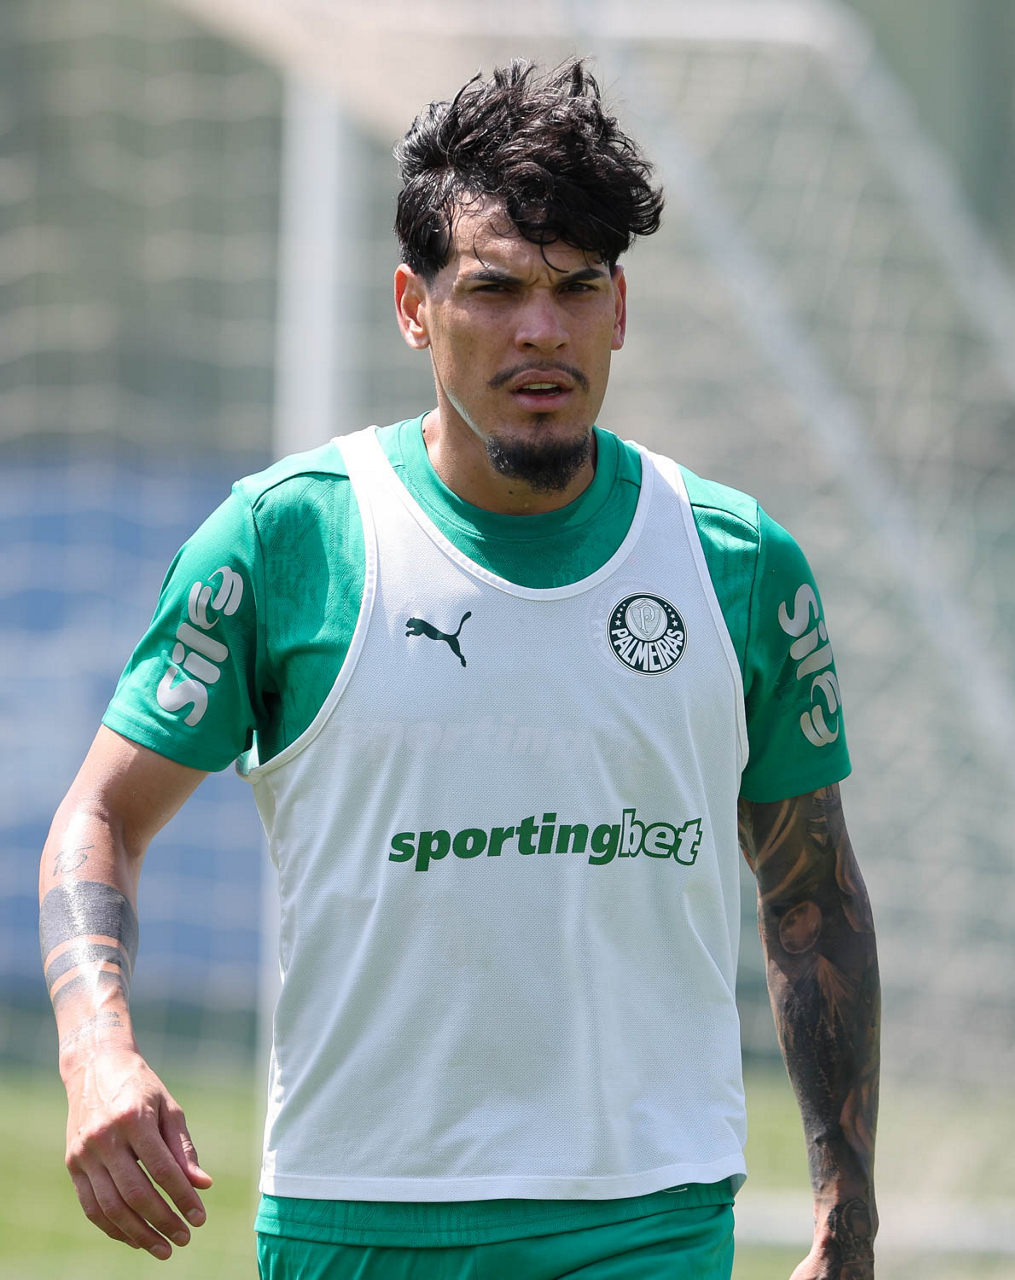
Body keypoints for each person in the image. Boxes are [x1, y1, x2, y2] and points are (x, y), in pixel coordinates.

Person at [40, 59, 880, 1280]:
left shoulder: (737, 563)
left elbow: (812, 893)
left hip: (648, 1216)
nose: (541, 330)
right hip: (355, 1216)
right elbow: (100, 815)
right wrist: (95, 1050)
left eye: (575, 287)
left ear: (619, 308)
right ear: (412, 305)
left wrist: (847, 1213)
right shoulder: (284, 540)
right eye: (494, 288)